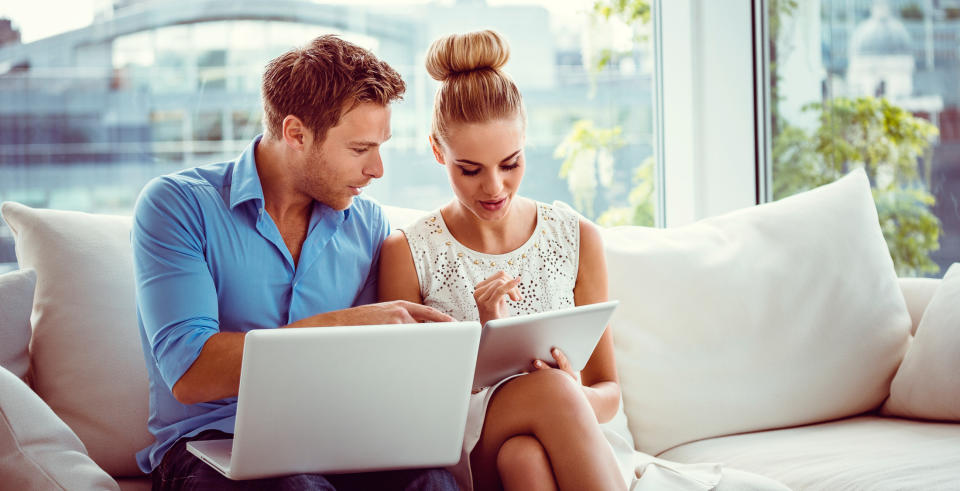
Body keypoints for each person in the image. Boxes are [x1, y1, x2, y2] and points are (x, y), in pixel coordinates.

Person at [131, 35, 458, 491]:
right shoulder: (178, 206)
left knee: (434, 482)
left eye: (380, 147)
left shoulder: (365, 223)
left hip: (333, 440)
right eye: (360, 149)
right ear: (296, 134)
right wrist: (345, 325)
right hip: (210, 447)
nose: (377, 170)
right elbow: (190, 372)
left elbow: (370, 372)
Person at [377, 30, 634, 491]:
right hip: (467, 442)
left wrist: (572, 397)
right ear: (438, 152)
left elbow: (609, 393)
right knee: (547, 397)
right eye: (470, 170)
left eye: (510, 164)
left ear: (525, 144)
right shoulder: (409, 252)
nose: (493, 187)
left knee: (526, 460)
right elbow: (404, 405)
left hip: (565, 439)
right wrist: (485, 337)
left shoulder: (577, 238)